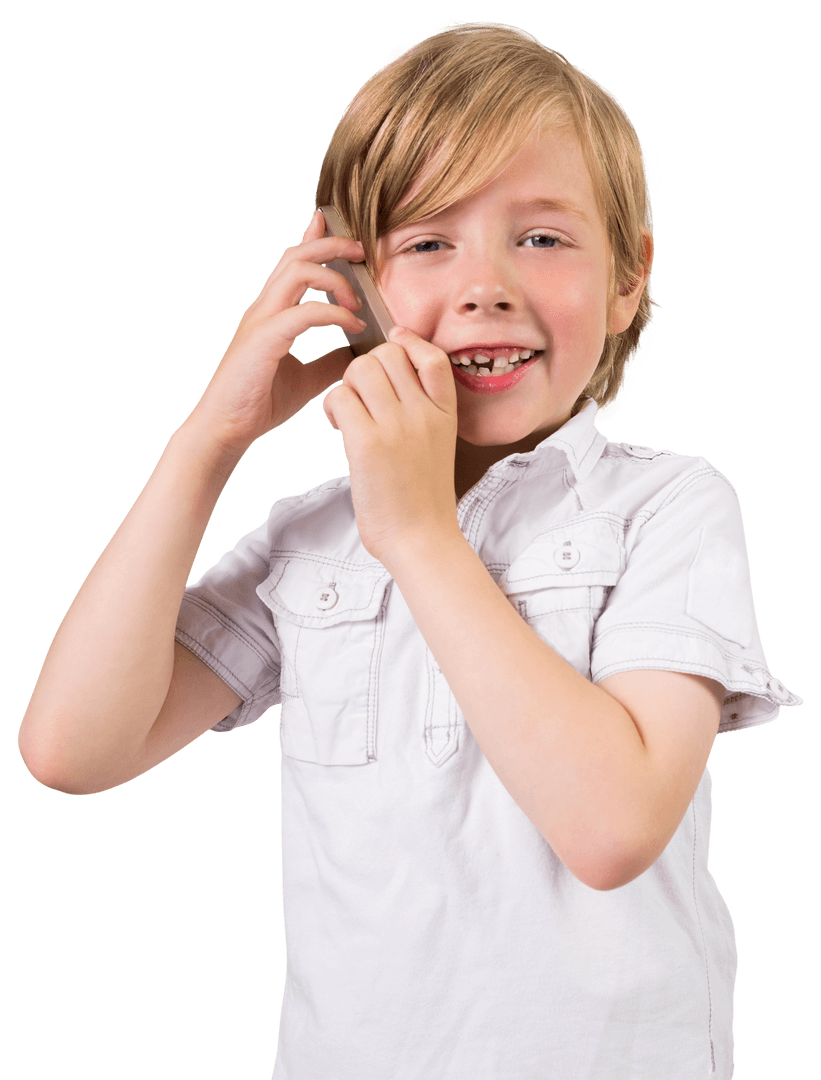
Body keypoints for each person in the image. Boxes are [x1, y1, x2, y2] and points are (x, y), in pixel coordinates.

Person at [17, 21, 803, 1079]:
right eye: (427, 242)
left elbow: (613, 827)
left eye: (541, 237)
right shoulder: (310, 536)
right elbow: (72, 748)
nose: (481, 284)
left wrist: (419, 535)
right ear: (355, 292)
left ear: (627, 278)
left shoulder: (666, 505)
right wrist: (211, 440)